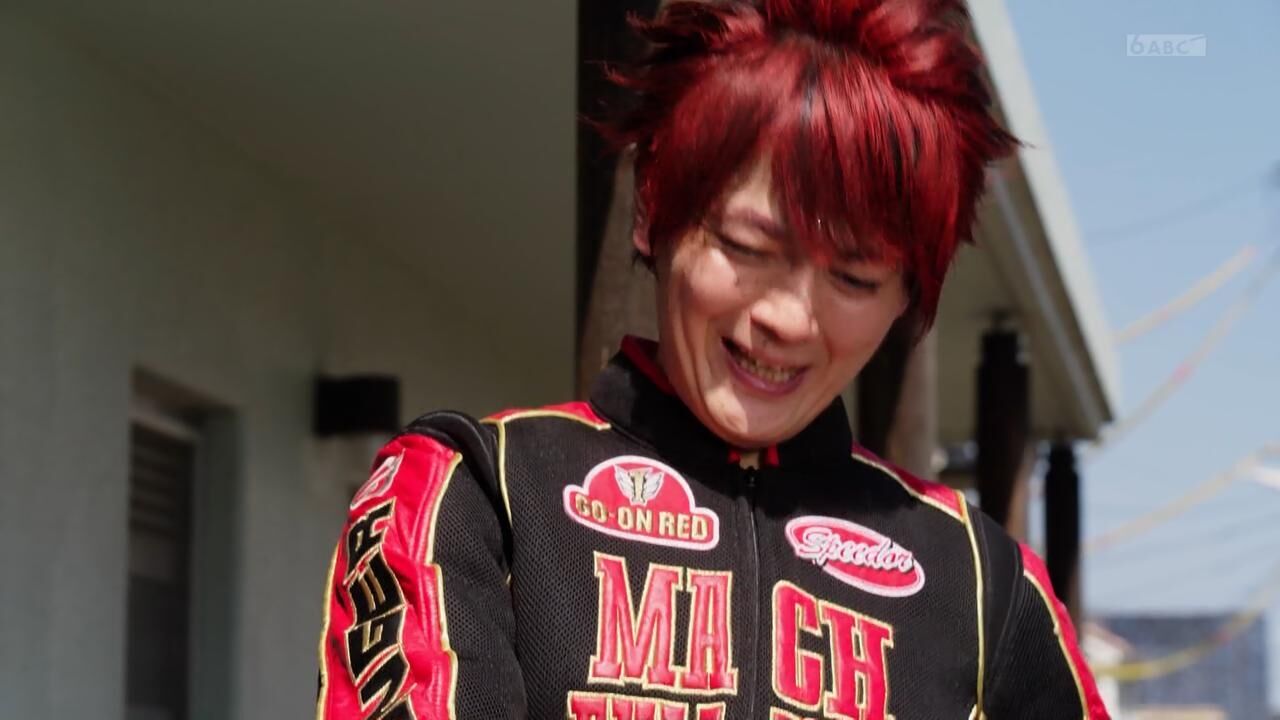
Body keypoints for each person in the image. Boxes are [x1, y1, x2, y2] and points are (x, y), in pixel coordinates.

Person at [315, 0, 1111, 717]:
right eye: (746, 245)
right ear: (653, 208)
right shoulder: (473, 493)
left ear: (907, 296)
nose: (787, 318)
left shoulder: (983, 584)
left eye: (855, 278)